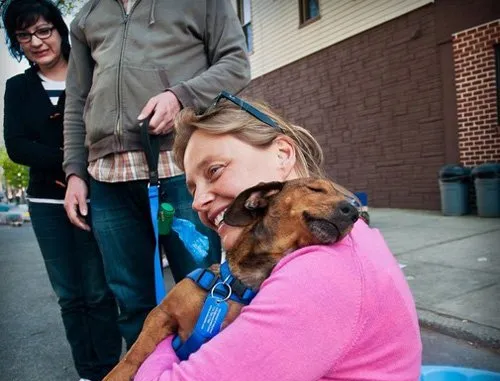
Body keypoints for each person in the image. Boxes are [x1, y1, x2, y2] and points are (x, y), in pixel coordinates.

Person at [134, 94, 423, 381]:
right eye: (192, 188)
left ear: (283, 154)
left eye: (215, 170)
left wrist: (162, 340)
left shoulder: (320, 274)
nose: (198, 202)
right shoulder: (339, 244)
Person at [62, 0, 250, 349]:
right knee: (131, 304)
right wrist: (74, 171)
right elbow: (76, 99)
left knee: (202, 292)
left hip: (181, 170)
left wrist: (181, 97)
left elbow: (237, 65)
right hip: (106, 178)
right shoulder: (87, 15)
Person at [2, 1, 121, 380]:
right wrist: (71, 158)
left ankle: (111, 370)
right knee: (70, 295)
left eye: (43, 30)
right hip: (45, 203)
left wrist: (76, 166)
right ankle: (88, 372)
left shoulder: (91, 74)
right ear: (15, 42)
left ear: (59, 29)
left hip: (96, 196)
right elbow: (18, 146)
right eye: (24, 35)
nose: (36, 42)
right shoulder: (17, 88)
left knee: (99, 292)